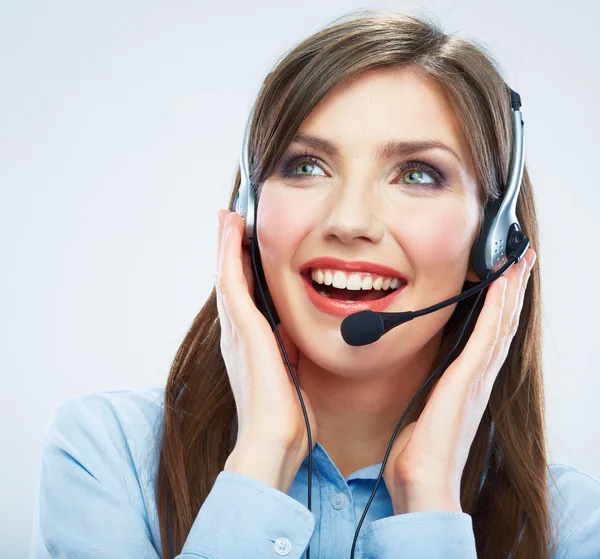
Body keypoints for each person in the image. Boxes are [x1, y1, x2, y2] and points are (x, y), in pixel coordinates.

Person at [29, 9, 600, 559]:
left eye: (418, 174)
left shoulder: (574, 527)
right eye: (306, 166)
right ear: (249, 214)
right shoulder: (108, 456)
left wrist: (429, 505)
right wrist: (262, 459)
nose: (349, 221)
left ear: (493, 242)